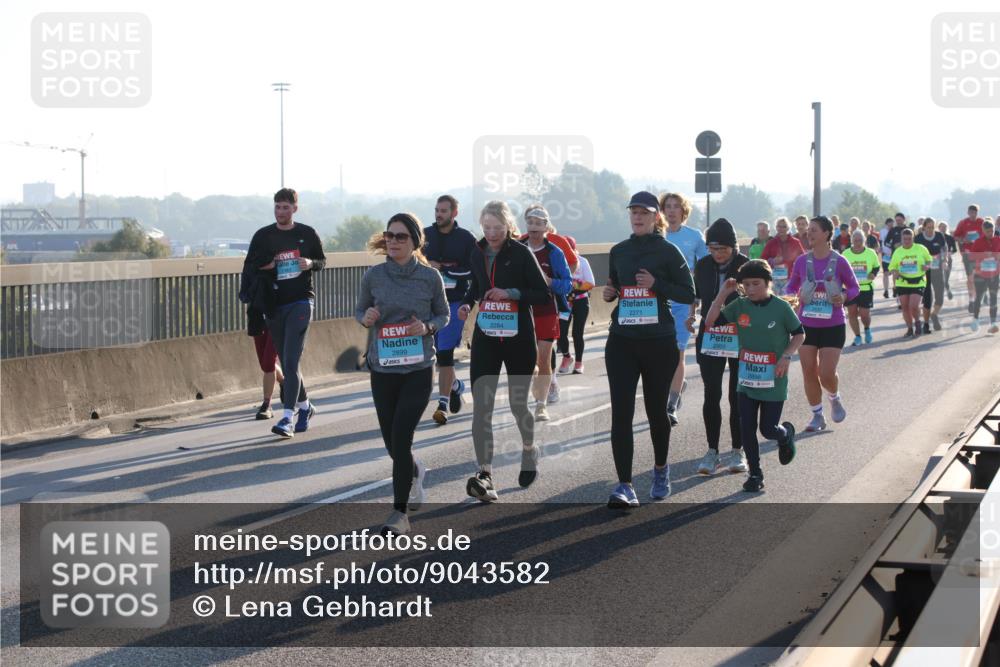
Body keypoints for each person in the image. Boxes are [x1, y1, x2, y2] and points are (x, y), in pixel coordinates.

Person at [355, 214, 449, 536]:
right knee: (391, 444)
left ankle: (399, 513)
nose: (393, 242)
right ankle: (414, 471)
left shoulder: (430, 278)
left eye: (401, 237)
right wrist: (367, 318)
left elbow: (444, 314)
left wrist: (426, 327)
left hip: (418, 368)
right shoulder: (374, 276)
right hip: (382, 368)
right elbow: (361, 311)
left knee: (401, 435)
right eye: (390, 236)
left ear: (415, 242)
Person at [603, 192, 695, 508]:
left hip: (658, 342)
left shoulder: (668, 252)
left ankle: (660, 470)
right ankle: (625, 485)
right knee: (621, 414)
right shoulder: (619, 251)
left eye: (644, 212)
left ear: (656, 217)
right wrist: (610, 293)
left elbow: (689, 292)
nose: (638, 217)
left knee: (657, 412)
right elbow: (616, 286)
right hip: (622, 341)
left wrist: (656, 284)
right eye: (633, 212)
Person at [458, 200, 549, 501]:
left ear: (508, 226)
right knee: (482, 408)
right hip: (486, 336)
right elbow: (476, 285)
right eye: (487, 228)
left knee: (517, 405)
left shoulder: (520, 253)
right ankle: (485, 474)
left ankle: (528, 450)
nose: (492, 233)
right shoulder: (476, 251)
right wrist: (466, 303)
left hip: (518, 337)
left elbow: (542, 292)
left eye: (497, 228)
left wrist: (511, 293)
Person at [705, 260, 804, 492]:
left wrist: (786, 356)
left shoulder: (780, 308)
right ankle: (755, 474)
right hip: (746, 379)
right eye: (746, 284)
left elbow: (799, 334)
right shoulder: (739, 306)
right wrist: (722, 293)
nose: (750, 289)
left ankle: (785, 434)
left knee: (768, 429)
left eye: (756, 284)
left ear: (768, 283)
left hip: (774, 377)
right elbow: (710, 323)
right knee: (746, 427)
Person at [245, 188, 326, 438]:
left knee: (290, 362)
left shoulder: (306, 234)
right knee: (289, 362)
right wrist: (266, 266)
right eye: (277, 207)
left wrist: (311, 263)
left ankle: (287, 417)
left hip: (301, 302)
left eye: (285, 208)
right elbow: (250, 265)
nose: (281, 212)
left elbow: (322, 261)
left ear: (295, 209)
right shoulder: (263, 236)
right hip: (273, 304)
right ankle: (305, 406)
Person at [786, 215, 860, 432]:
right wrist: (792, 297)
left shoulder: (840, 261)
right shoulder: (802, 261)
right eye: (808, 230)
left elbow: (855, 287)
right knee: (809, 371)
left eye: (814, 230)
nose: (809, 233)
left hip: (833, 323)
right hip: (807, 324)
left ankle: (834, 397)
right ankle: (817, 416)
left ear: (827, 233)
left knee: (825, 374)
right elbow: (791, 286)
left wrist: (844, 297)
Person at [691, 218, 749, 475]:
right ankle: (712, 451)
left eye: (722, 249)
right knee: (711, 392)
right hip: (711, 333)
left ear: (734, 247)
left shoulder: (746, 266)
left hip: (740, 334)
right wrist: (691, 314)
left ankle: (738, 450)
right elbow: (696, 296)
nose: (716, 255)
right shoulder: (702, 266)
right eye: (712, 249)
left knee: (737, 394)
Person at [422, 194, 478, 426]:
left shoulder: (466, 239)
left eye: (444, 210)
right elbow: (411, 262)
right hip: (427, 303)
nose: (439, 214)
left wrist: (444, 269)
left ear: (455, 213)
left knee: (444, 354)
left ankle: (442, 405)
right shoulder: (425, 235)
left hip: (454, 303)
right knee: (431, 354)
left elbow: (474, 272)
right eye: (437, 209)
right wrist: (427, 265)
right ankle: (455, 386)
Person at [521, 205, 572, 422]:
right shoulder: (517, 247)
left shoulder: (554, 252)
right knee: (526, 361)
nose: (533, 227)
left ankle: (541, 405)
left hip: (546, 311)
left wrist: (550, 281)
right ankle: (537, 390)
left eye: (538, 223)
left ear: (546, 227)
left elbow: (568, 284)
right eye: (530, 222)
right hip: (521, 311)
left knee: (543, 359)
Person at [661, 192, 707, 426]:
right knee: (661, 355)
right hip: (658, 302)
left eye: (675, 207)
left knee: (678, 351)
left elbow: (707, 266)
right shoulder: (655, 236)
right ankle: (676, 384)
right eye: (667, 206)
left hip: (683, 303)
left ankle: (671, 404)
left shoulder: (694, 236)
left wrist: (700, 294)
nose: (671, 211)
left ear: (683, 211)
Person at [239, 259, 285, 419]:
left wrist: (274, 267)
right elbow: (243, 291)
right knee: (265, 364)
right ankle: (284, 382)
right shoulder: (251, 263)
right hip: (257, 316)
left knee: (268, 363)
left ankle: (267, 404)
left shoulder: (282, 260)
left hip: (278, 316)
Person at [557, 236, 594, 375]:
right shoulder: (558, 262)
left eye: (569, 250)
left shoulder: (582, 262)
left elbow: (590, 282)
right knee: (561, 332)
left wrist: (574, 285)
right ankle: (567, 357)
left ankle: (579, 362)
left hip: (580, 301)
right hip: (564, 302)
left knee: (577, 333)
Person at [888, 228, 933, 337]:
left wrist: (927, 266)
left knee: (913, 305)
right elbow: (892, 267)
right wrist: (895, 271)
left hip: (918, 281)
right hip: (902, 281)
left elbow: (929, 260)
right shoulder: (898, 251)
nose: (907, 241)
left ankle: (917, 321)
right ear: (901, 239)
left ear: (913, 238)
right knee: (904, 306)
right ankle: (909, 328)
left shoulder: (921, 249)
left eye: (909, 239)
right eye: (905, 239)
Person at [841, 230, 880, 346]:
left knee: (864, 314)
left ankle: (867, 329)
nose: (858, 243)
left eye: (860, 240)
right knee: (852, 313)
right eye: (855, 240)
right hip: (851, 288)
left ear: (864, 241)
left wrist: (873, 273)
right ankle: (857, 336)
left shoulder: (871, 253)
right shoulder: (846, 254)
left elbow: (876, 267)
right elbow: (840, 269)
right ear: (852, 240)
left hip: (866, 287)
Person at [915, 217, 948, 332]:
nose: (930, 229)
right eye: (928, 227)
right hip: (924, 271)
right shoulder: (918, 238)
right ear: (924, 227)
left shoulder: (939, 236)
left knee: (940, 297)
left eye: (932, 227)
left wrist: (945, 260)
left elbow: (944, 249)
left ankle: (934, 314)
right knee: (928, 298)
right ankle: (926, 323)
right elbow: (914, 253)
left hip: (937, 270)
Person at [968, 220, 1000, 333]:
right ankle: (976, 319)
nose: (990, 233)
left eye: (992, 231)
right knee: (979, 298)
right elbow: (971, 257)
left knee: (993, 298)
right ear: (983, 231)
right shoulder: (977, 242)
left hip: (994, 274)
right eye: (988, 231)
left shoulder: (998, 240)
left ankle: (993, 323)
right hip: (980, 275)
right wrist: (984, 255)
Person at [761, 216, 805, 295]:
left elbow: (803, 260)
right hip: (774, 280)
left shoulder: (795, 242)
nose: (781, 229)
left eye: (784, 226)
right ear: (776, 228)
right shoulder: (771, 243)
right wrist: (772, 261)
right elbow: (762, 261)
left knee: (790, 303)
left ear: (788, 228)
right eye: (779, 226)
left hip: (791, 279)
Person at [955, 205, 985, 313]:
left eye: (975, 212)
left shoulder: (982, 222)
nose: (973, 214)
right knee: (970, 278)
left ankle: (977, 297)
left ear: (977, 213)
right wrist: (963, 240)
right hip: (968, 254)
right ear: (968, 212)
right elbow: (955, 236)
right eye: (971, 212)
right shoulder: (962, 223)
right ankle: (972, 301)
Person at [939, 221, 958, 300]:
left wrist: (950, 253)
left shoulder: (950, 237)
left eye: (945, 227)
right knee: (939, 278)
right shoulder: (936, 237)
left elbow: (955, 249)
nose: (943, 228)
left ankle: (948, 289)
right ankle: (939, 295)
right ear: (939, 228)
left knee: (946, 278)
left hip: (948, 259)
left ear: (947, 228)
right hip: (938, 260)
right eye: (942, 227)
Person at [879, 218, 895, 298]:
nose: (891, 226)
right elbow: (880, 241)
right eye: (889, 224)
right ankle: (886, 290)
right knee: (885, 273)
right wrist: (880, 249)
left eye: (892, 224)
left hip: (894, 255)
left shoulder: (895, 231)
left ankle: (895, 288)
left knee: (894, 273)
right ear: (886, 224)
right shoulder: (882, 231)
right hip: (885, 255)